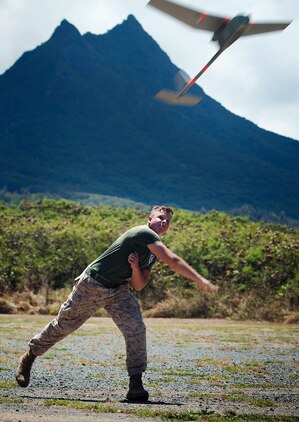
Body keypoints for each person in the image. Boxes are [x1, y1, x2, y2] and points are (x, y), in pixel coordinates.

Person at [16, 205, 218, 401]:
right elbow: (173, 260)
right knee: (64, 325)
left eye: (168, 221)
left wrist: (135, 268)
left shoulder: (151, 254)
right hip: (93, 283)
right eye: (160, 218)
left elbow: (138, 285)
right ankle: (30, 356)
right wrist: (200, 280)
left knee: (136, 328)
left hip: (118, 290)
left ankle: (136, 385)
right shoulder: (143, 233)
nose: (164, 222)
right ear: (149, 220)